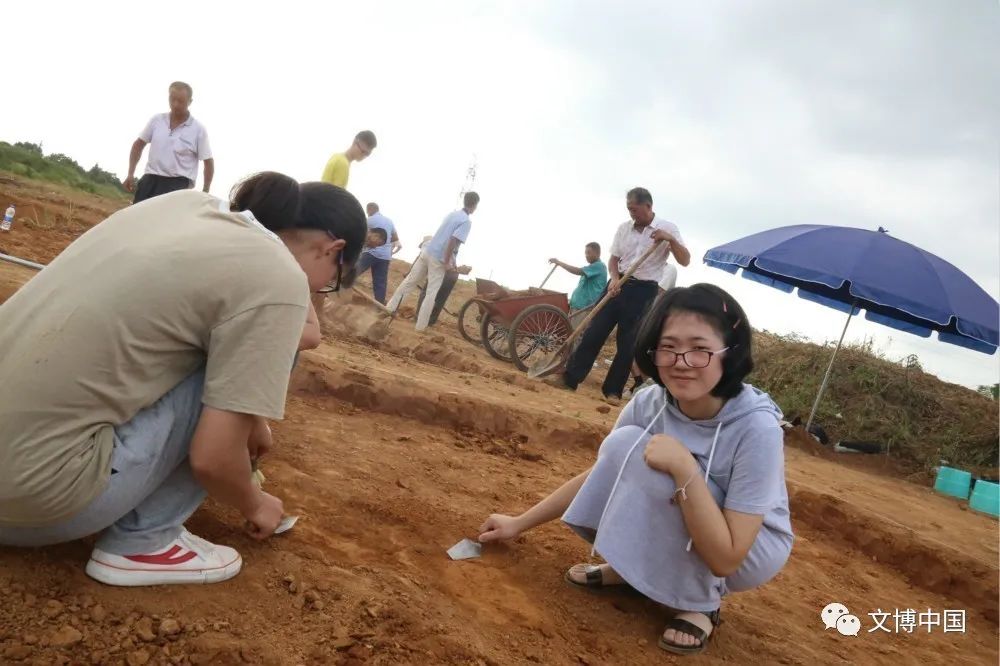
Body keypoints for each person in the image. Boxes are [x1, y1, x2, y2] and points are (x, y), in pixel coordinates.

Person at [0, 173, 367, 587]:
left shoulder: (186, 207)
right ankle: (144, 541)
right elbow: (213, 458)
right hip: (25, 499)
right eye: (332, 282)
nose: (321, 292)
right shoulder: (275, 277)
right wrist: (255, 501)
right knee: (278, 346)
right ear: (334, 248)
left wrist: (254, 419)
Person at [479, 284, 792, 655]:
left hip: (746, 547)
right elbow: (608, 471)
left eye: (700, 350)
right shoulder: (650, 402)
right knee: (626, 444)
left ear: (730, 351)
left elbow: (728, 557)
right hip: (693, 516)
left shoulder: (756, 428)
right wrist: (519, 521)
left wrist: (684, 467)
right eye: (668, 347)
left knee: (666, 468)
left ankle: (699, 603)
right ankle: (629, 572)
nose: (681, 361)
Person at [547, 187, 690, 404]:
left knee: (628, 343)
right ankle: (570, 378)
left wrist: (669, 239)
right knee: (594, 332)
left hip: (643, 291)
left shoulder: (668, 228)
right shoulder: (624, 229)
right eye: (629, 210)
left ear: (648, 206)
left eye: (634, 209)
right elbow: (613, 259)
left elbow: (685, 259)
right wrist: (614, 278)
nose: (631, 214)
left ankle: (613, 390)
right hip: (617, 285)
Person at [386, 191, 479, 331]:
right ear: (475, 205)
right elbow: (452, 241)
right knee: (431, 292)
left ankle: (388, 309)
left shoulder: (452, 214)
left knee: (409, 283)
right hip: (439, 259)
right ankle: (420, 327)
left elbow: (443, 237)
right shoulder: (466, 221)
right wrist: (448, 263)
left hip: (427, 251)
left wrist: (451, 263)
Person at [124, 82, 214, 204]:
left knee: (164, 222)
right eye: (172, 99)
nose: (175, 105)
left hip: (178, 185)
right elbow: (138, 145)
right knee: (137, 219)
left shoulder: (198, 129)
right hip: (150, 179)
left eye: (181, 101)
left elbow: (208, 162)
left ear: (190, 102)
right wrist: (130, 174)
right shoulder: (157, 120)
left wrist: (205, 191)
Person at [354, 202, 401, 304]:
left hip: (371, 252)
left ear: (370, 209)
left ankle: (339, 290)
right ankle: (379, 305)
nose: (367, 213)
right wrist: (384, 244)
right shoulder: (389, 221)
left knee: (354, 272)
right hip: (385, 256)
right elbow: (395, 238)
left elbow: (360, 232)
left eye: (367, 211)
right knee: (380, 282)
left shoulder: (370, 220)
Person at [549, 242, 608, 312]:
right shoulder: (589, 268)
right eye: (585, 253)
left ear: (598, 254)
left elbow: (577, 271)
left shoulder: (599, 266)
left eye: (589, 253)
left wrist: (559, 263)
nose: (586, 255)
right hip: (577, 306)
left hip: (585, 308)